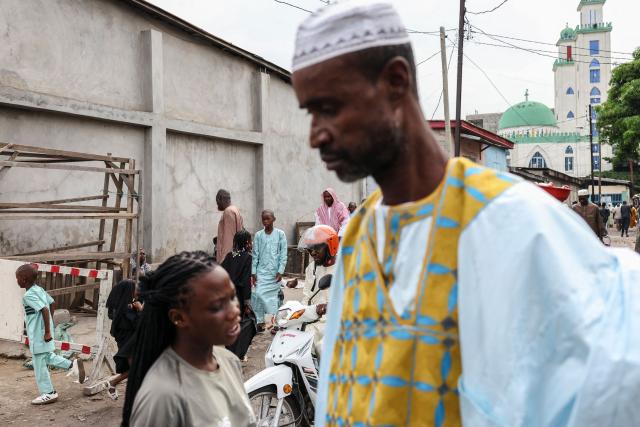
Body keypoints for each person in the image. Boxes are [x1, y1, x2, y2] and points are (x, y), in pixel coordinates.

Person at [290, 2, 640, 425]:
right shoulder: (361, 234)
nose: (315, 135)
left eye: (328, 108)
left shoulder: (509, 224)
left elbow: (599, 392)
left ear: (395, 82)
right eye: (310, 113)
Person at [122, 251, 255, 426]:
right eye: (217, 306)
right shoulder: (163, 396)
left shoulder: (229, 361)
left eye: (232, 297)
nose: (234, 311)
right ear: (179, 317)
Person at [15, 264, 85, 405]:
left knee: (39, 364)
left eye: (17, 278)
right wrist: (50, 327)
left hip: (39, 335)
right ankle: (72, 364)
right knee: (48, 357)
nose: (17, 281)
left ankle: (48, 393)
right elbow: (52, 304)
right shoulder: (39, 289)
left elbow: (45, 310)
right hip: (45, 332)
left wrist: (47, 331)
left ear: (23, 279)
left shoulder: (28, 296)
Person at [290, 225, 339, 355]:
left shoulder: (344, 269)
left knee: (320, 349)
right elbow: (306, 297)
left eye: (317, 248)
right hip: (313, 318)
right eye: (310, 249)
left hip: (333, 323)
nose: (312, 253)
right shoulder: (311, 268)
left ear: (330, 247)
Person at [104, 279, 143, 400]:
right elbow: (140, 324)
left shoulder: (120, 308)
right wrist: (141, 310)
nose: (137, 291)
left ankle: (113, 384)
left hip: (128, 342)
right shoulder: (127, 310)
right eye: (135, 288)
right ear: (128, 291)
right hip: (130, 344)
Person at [251, 210, 288, 331]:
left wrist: (281, 270)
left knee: (274, 298)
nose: (265, 221)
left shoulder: (280, 234)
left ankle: (276, 322)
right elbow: (255, 254)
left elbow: (283, 254)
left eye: (268, 219)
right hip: (261, 271)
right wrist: (253, 272)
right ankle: (260, 321)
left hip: (274, 272)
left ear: (274, 219)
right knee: (257, 294)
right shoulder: (258, 235)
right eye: (263, 219)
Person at [221, 229, 253, 314]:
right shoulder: (248, 258)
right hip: (239, 296)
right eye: (251, 241)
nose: (252, 244)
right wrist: (247, 304)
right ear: (247, 243)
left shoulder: (230, 255)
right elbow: (246, 281)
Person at [215, 189, 244, 263]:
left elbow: (229, 239)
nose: (217, 204)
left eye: (217, 202)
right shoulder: (235, 210)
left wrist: (224, 261)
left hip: (229, 259)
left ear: (220, 199)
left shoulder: (228, 212)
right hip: (235, 256)